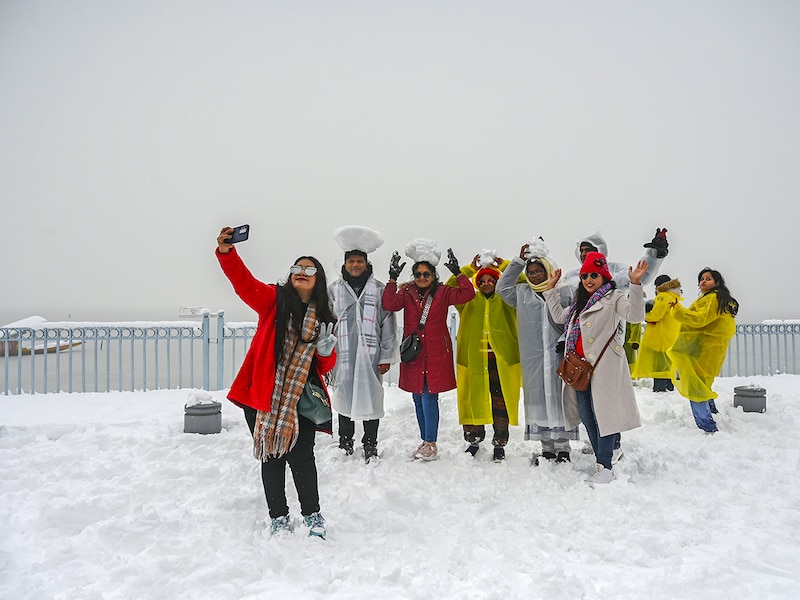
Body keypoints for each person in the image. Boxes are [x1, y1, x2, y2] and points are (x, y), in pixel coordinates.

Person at [216, 227, 337, 538]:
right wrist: (228, 254)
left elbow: (323, 366)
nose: (302, 272)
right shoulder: (273, 300)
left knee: (302, 457)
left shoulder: (324, 316)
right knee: (272, 454)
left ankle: (312, 515)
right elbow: (244, 284)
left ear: (318, 278)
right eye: (297, 267)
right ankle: (278, 516)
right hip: (262, 396)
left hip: (303, 398)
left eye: (309, 269)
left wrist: (326, 352)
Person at [544, 251, 648, 485]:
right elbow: (560, 317)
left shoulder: (615, 298)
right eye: (585, 276)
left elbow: (635, 316)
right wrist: (550, 289)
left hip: (605, 368)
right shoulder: (579, 302)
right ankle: (605, 456)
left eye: (594, 275)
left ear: (604, 276)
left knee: (605, 417)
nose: (589, 280)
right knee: (587, 416)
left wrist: (635, 284)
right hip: (580, 368)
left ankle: (605, 466)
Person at [382, 239, 475, 461]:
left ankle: (430, 443)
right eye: (418, 274)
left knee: (428, 395)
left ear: (434, 275)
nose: (422, 278)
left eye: (426, 274)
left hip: (435, 352)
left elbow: (467, 295)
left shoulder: (443, 293)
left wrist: (459, 273)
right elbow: (390, 304)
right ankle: (425, 439)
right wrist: (392, 279)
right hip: (414, 352)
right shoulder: (406, 292)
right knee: (417, 396)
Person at [496, 239, 578, 464]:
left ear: (548, 270)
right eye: (529, 272)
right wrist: (517, 262)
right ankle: (547, 447)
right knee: (540, 401)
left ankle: (563, 447)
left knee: (558, 401)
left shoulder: (565, 292)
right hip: (533, 360)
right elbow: (501, 288)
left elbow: (571, 322)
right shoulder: (521, 293)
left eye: (538, 271)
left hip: (559, 357)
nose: (533, 276)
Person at [328, 226, 398, 463]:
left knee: (371, 396)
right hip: (344, 354)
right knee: (344, 395)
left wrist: (386, 355)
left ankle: (370, 444)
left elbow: (387, 321)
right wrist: (326, 353)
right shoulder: (334, 290)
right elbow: (327, 323)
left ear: (366, 264)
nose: (355, 265)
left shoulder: (378, 289)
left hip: (371, 355)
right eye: (351, 261)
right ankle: (345, 442)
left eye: (359, 261)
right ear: (345, 264)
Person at [449, 253, 521, 462]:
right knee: (473, 401)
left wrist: (507, 266)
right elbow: (449, 287)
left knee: (501, 404)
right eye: (482, 281)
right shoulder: (467, 300)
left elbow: (523, 280)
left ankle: (500, 443)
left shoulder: (507, 299)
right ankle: (473, 440)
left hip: (500, 362)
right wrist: (470, 269)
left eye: (491, 280)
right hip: (473, 361)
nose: (486, 283)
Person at [668, 268, 738, 433]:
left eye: (708, 279)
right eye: (701, 279)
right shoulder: (717, 299)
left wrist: (678, 309)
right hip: (711, 349)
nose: (703, 282)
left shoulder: (712, 299)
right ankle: (712, 411)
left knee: (695, 386)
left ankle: (707, 426)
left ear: (717, 282)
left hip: (704, 348)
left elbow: (699, 319)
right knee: (704, 382)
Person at [560, 229, 668, 294]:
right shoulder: (571, 276)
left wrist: (655, 254)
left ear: (599, 251)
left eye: (588, 250)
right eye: (582, 250)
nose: (583, 254)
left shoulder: (614, 271)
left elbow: (640, 276)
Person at [633, 274, 681, 392]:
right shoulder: (674, 297)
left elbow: (655, 316)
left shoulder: (663, 297)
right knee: (667, 364)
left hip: (659, 337)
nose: (655, 289)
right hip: (671, 335)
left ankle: (660, 389)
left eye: (656, 286)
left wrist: (644, 315)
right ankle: (669, 388)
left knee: (659, 366)